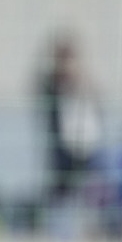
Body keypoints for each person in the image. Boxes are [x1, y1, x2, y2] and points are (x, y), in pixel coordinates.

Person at [35, 32, 102, 212]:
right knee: (60, 192)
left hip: (86, 146)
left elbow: (96, 101)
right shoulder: (51, 84)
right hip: (62, 149)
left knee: (90, 192)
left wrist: (79, 78)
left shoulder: (83, 81)